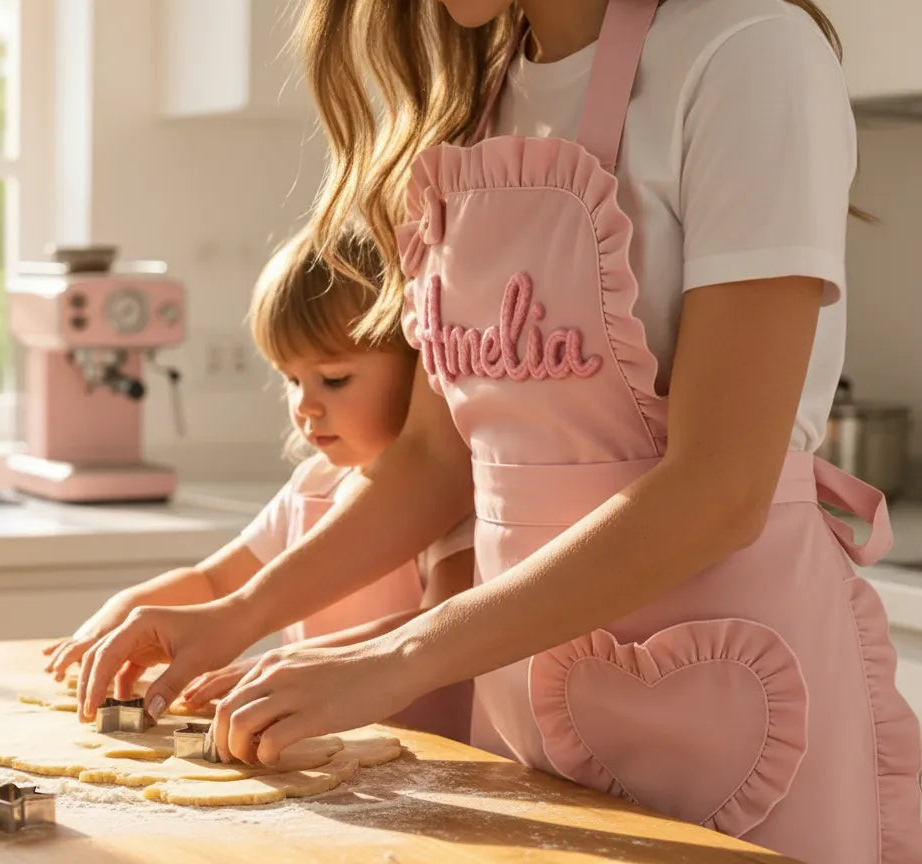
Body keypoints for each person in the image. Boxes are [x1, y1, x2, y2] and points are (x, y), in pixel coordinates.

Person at [75, 1, 922, 860]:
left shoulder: (748, 53)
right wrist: (235, 612)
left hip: (737, 712)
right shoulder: (480, 101)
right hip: (529, 716)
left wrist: (399, 656)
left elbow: (721, 489)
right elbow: (436, 459)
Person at [51, 226, 475, 740]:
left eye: (334, 378)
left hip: (428, 759)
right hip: (323, 749)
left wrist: (283, 663)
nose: (305, 405)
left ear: (419, 368)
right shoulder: (312, 486)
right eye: (291, 380)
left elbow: (443, 629)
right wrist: (127, 613)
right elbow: (214, 583)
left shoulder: (449, 499)